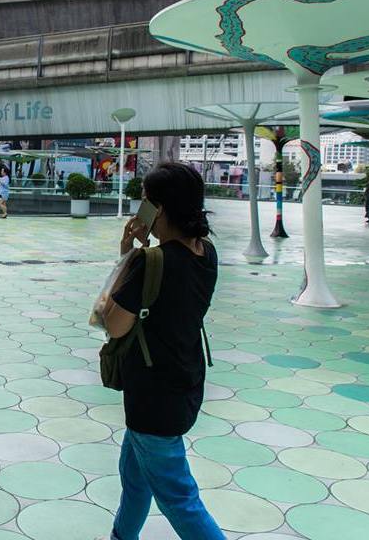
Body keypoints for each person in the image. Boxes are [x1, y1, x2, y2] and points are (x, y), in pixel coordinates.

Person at [100, 162, 224, 540]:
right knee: (135, 481)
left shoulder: (149, 262)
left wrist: (127, 256)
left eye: (144, 201)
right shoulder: (206, 252)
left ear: (159, 208)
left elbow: (113, 323)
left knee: (179, 499)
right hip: (184, 380)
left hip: (153, 396)